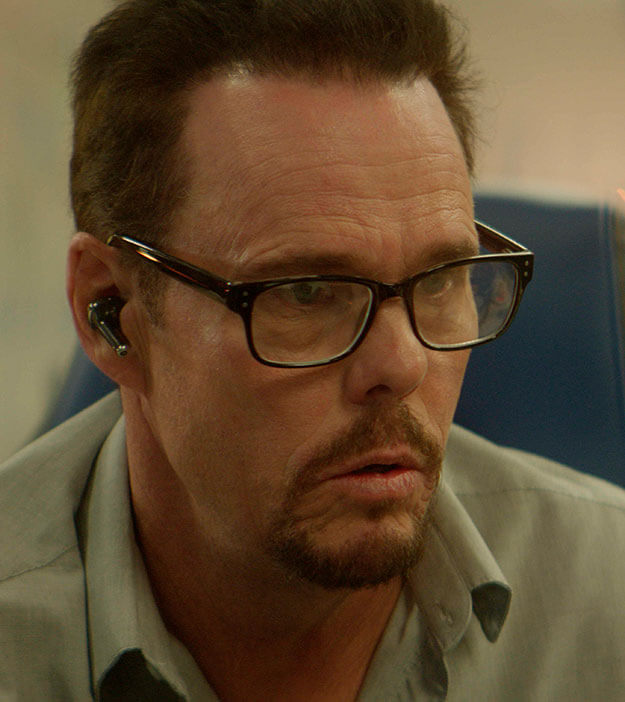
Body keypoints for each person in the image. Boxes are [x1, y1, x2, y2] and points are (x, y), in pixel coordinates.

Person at [1, 0, 624, 699]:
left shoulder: (608, 592)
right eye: (305, 293)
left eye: (441, 278)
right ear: (110, 311)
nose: (402, 365)